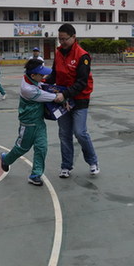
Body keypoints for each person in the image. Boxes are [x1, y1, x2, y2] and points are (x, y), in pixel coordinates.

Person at [45, 23, 99, 178]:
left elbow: (82, 82)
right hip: (62, 98)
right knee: (64, 134)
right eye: (59, 39)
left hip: (79, 99)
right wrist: (44, 82)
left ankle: (93, 162)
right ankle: (66, 166)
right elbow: (55, 74)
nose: (61, 42)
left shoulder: (83, 56)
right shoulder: (59, 53)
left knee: (80, 132)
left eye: (64, 39)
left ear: (74, 37)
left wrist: (66, 95)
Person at [0, 59, 58, 186]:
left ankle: (35, 174)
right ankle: (6, 158)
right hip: (28, 124)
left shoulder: (30, 79)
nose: (43, 77)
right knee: (22, 148)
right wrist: (62, 96)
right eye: (41, 75)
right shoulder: (29, 89)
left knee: (42, 147)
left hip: (39, 121)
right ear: (33, 75)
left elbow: (43, 85)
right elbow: (54, 98)